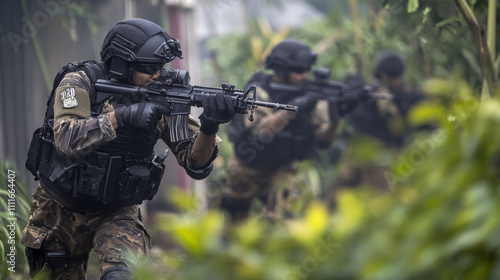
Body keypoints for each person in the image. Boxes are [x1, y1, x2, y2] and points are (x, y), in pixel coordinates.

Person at [21, 18, 234, 280]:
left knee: (122, 275)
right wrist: (121, 118)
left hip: (116, 209)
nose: (157, 75)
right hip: (59, 207)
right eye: (148, 67)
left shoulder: (161, 94)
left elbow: (195, 163)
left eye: (160, 67)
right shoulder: (79, 82)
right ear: (121, 63)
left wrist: (210, 126)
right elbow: (66, 140)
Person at [223, 39, 340, 223]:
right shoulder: (258, 91)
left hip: (284, 168)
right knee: (236, 219)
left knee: (286, 219)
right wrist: (293, 107)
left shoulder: (309, 93)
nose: (305, 76)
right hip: (248, 167)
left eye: (307, 70)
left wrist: (336, 115)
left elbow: (324, 140)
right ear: (282, 70)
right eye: (300, 70)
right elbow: (262, 132)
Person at [329, 50, 427, 197]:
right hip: (360, 153)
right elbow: (356, 117)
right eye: (393, 78)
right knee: (340, 189)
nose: (398, 81)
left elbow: (412, 123)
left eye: (398, 77)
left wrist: (393, 109)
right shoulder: (367, 94)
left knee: (380, 196)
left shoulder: (404, 96)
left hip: (385, 156)